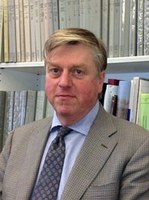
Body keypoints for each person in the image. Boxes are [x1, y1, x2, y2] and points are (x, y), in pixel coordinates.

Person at [0, 28, 149, 200]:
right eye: (55, 70)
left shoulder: (138, 146)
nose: (64, 82)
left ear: (100, 81)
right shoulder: (18, 139)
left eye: (78, 72)